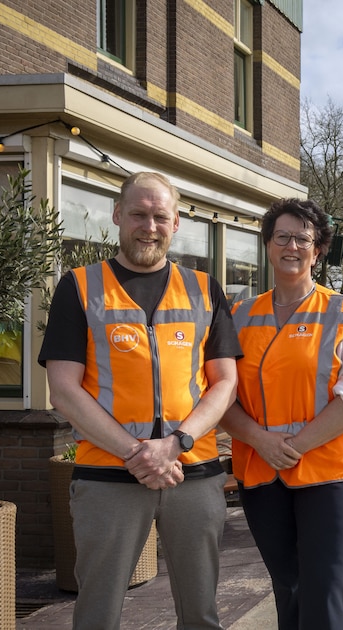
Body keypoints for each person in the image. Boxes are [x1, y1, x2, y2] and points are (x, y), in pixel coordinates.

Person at [40, 171, 241, 630]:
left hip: (192, 472)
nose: (149, 226)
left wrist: (175, 444)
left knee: (202, 614)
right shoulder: (79, 286)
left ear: (176, 223)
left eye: (160, 217)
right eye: (138, 214)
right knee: (97, 615)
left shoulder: (205, 289)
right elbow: (63, 389)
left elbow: (225, 383)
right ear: (117, 215)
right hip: (108, 475)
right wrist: (138, 453)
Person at [221, 198, 343, 630]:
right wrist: (261, 441)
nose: (291, 246)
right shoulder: (239, 316)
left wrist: (291, 447)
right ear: (268, 245)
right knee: (288, 586)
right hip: (261, 473)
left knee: (324, 587)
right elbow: (219, 395)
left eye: (302, 239)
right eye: (282, 237)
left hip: (329, 473)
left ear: (318, 250)